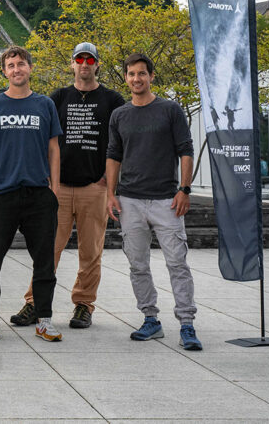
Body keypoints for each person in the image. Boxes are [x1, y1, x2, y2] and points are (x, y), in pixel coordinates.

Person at [12, 42, 125, 330]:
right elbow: (42, 139)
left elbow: (121, 144)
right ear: (72, 64)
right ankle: (35, 303)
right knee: (48, 249)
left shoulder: (113, 100)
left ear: (97, 64)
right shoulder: (58, 98)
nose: (84, 64)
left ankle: (83, 305)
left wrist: (109, 182)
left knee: (91, 252)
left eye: (90, 59)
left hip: (94, 187)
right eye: (79, 59)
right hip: (58, 188)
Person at [107, 52, 202, 351]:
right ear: (126, 77)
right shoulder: (119, 115)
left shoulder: (170, 110)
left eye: (142, 74)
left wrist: (184, 189)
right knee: (137, 265)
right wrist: (111, 193)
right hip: (130, 201)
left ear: (151, 76)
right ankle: (151, 320)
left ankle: (187, 324)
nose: (137, 79)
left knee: (177, 263)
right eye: (132, 74)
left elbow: (186, 150)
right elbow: (113, 156)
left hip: (166, 201)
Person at [0, 45, 63, 343]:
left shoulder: (44, 105)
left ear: (29, 68)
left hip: (39, 194)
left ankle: (44, 319)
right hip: (1, 194)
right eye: (11, 65)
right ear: (4, 71)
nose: (16, 69)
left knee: (45, 263)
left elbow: (54, 149)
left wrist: (54, 190)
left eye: (21, 64)